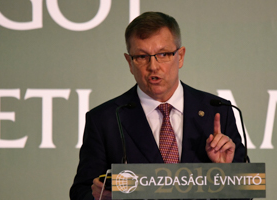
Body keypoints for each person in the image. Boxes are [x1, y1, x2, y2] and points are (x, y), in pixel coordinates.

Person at [70, 11, 247, 200]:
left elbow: (246, 193)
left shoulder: (218, 111)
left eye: (163, 54)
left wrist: (226, 172)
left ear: (180, 56)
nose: (153, 66)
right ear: (130, 62)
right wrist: (101, 197)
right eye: (141, 57)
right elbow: (81, 192)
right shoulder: (105, 119)